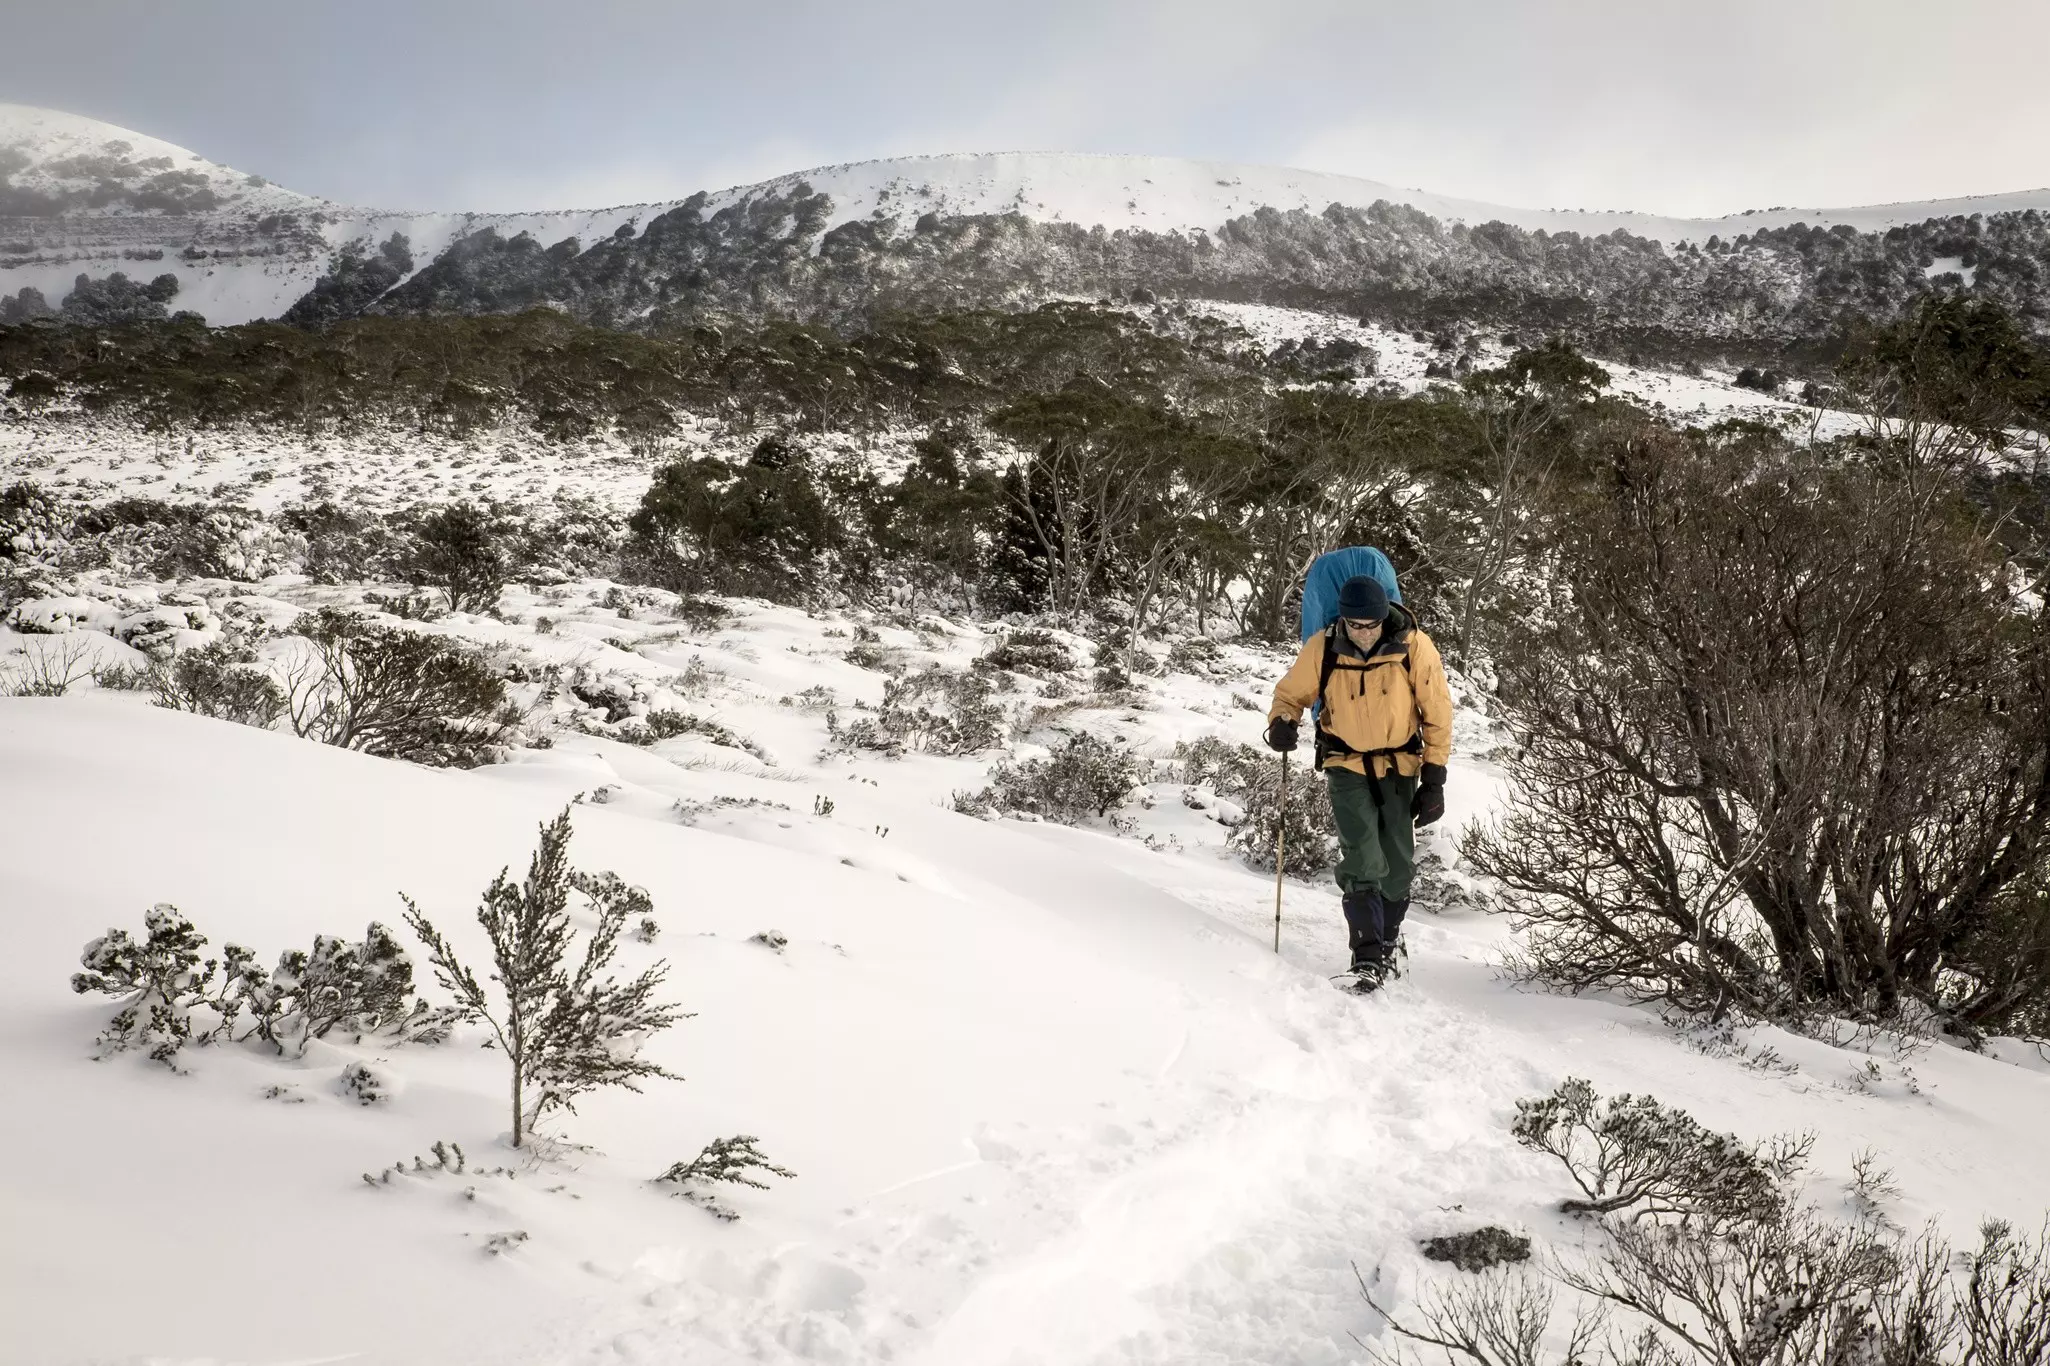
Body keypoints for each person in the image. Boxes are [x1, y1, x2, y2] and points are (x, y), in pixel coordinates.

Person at [1265, 574, 1452, 988]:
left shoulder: (1413, 646)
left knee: (1398, 866)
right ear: (1344, 620)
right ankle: (1366, 957)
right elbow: (1290, 694)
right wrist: (1282, 722)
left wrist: (1434, 777)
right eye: (1355, 625)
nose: (1364, 633)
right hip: (1345, 763)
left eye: (1371, 624)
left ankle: (1386, 944)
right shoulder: (1325, 647)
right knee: (1363, 857)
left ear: (1385, 616)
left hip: (1400, 766)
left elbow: (1437, 710)